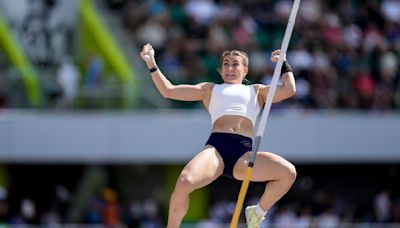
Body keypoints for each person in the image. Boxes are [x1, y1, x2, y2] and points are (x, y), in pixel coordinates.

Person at [140, 43, 297, 228]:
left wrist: (284, 64)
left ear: (245, 70)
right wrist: (151, 63)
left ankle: (258, 212)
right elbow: (168, 90)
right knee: (184, 182)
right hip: (216, 150)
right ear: (221, 70)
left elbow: (289, 90)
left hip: (244, 155)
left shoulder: (257, 91)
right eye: (226, 64)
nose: (230, 68)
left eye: (235, 64)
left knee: (288, 173)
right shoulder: (209, 89)